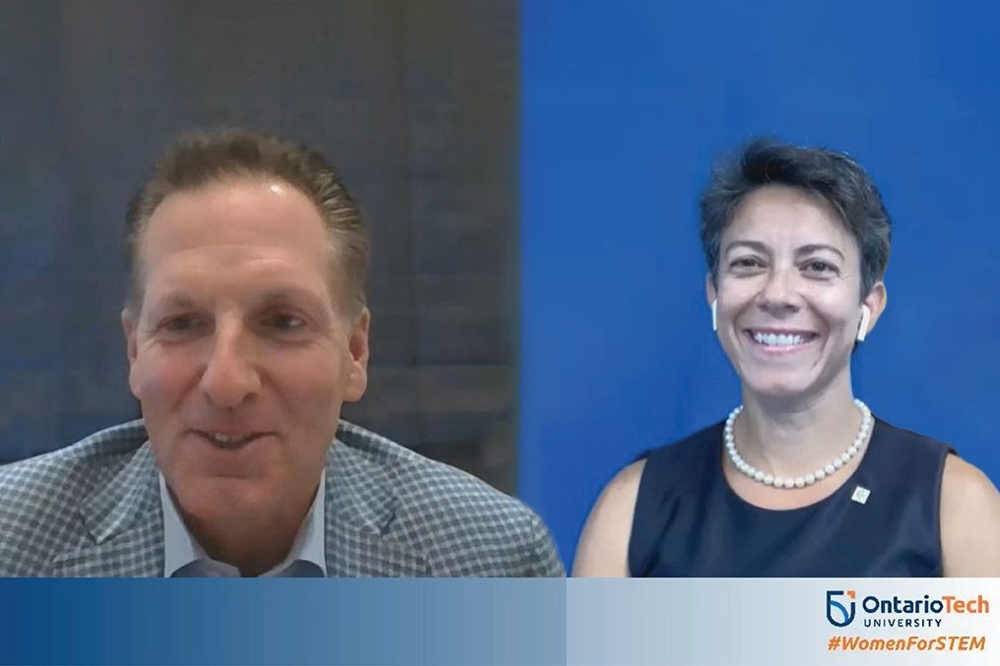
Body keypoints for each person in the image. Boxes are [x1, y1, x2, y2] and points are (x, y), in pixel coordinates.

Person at [0, 129, 564, 578]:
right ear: (133, 352)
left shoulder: (490, 560)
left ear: (355, 352)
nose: (225, 381)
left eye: (282, 323)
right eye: (182, 323)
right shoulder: (12, 545)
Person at [573, 138, 1000, 577]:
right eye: (748, 263)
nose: (777, 294)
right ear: (714, 296)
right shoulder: (633, 507)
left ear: (867, 307)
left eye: (817, 267)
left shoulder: (954, 507)